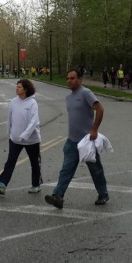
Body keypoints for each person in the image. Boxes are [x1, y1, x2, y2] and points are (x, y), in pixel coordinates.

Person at [45, 69, 109, 209]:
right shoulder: (69, 98)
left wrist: (94, 129)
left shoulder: (86, 93)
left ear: (80, 79)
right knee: (66, 170)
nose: (69, 80)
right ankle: (58, 196)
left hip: (87, 141)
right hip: (72, 141)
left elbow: (100, 109)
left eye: (72, 78)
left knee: (96, 170)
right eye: (67, 78)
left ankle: (103, 194)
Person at [0, 79, 42, 195]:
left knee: (34, 162)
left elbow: (34, 121)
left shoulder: (32, 103)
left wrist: (25, 135)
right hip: (15, 139)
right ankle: (2, 184)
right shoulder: (13, 102)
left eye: (19, 87)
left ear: (25, 89)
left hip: (31, 140)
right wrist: (9, 133)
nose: (16, 88)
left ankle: (36, 185)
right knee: (10, 161)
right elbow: (9, 119)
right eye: (16, 86)